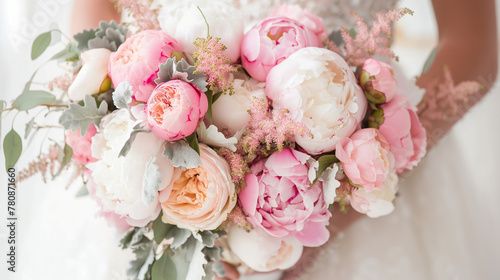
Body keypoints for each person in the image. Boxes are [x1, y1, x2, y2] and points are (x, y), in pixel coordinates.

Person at [62, 0, 497, 279]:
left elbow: (474, 43)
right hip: (157, 177)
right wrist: (116, 121)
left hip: (356, 199)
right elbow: (95, 8)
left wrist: (334, 206)